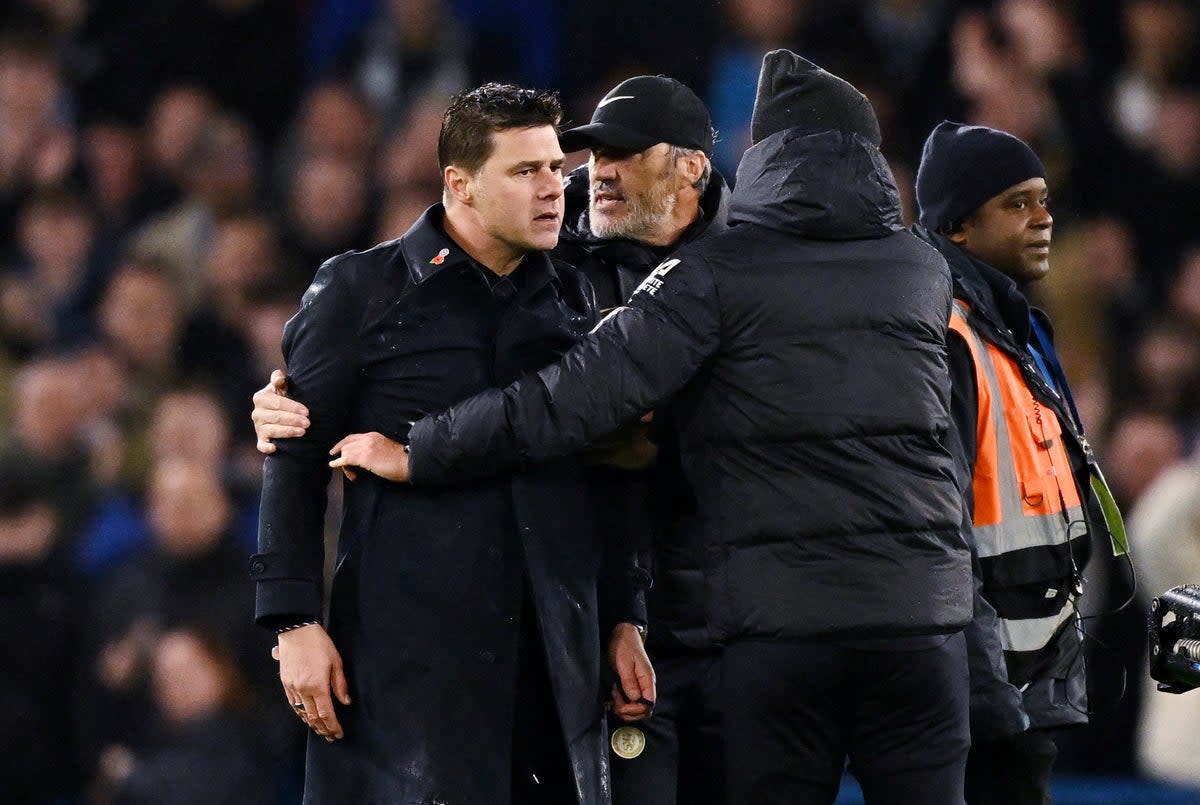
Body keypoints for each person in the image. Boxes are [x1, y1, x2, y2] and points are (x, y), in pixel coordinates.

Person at [322, 51, 973, 805]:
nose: (598, 168)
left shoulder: (720, 274)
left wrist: (423, 449)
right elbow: (948, 433)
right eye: (594, 150)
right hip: (905, 625)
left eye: (625, 152)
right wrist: (318, 388)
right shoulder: (921, 269)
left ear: (707, 165)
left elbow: (567, 400)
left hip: (764, 627)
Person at [252, 71, 732, 804]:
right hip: (408, 660)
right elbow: (293, 457)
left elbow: (609, 472)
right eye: (526, 171)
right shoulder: (360, 290)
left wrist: (623, 614)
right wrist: (292, 621)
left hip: (553, 659)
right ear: (460, 182)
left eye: (555, 168)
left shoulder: (585, 294)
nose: (554, 188)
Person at [913, 121, 1118, 805]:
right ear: (960, 226)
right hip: (978, 698)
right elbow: (937, 530)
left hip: (1023, 686)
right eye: (1018, 203)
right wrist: (984, 688)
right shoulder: (946, 339)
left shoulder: (1014, 331)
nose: (1044, 220)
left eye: (1045, 200)